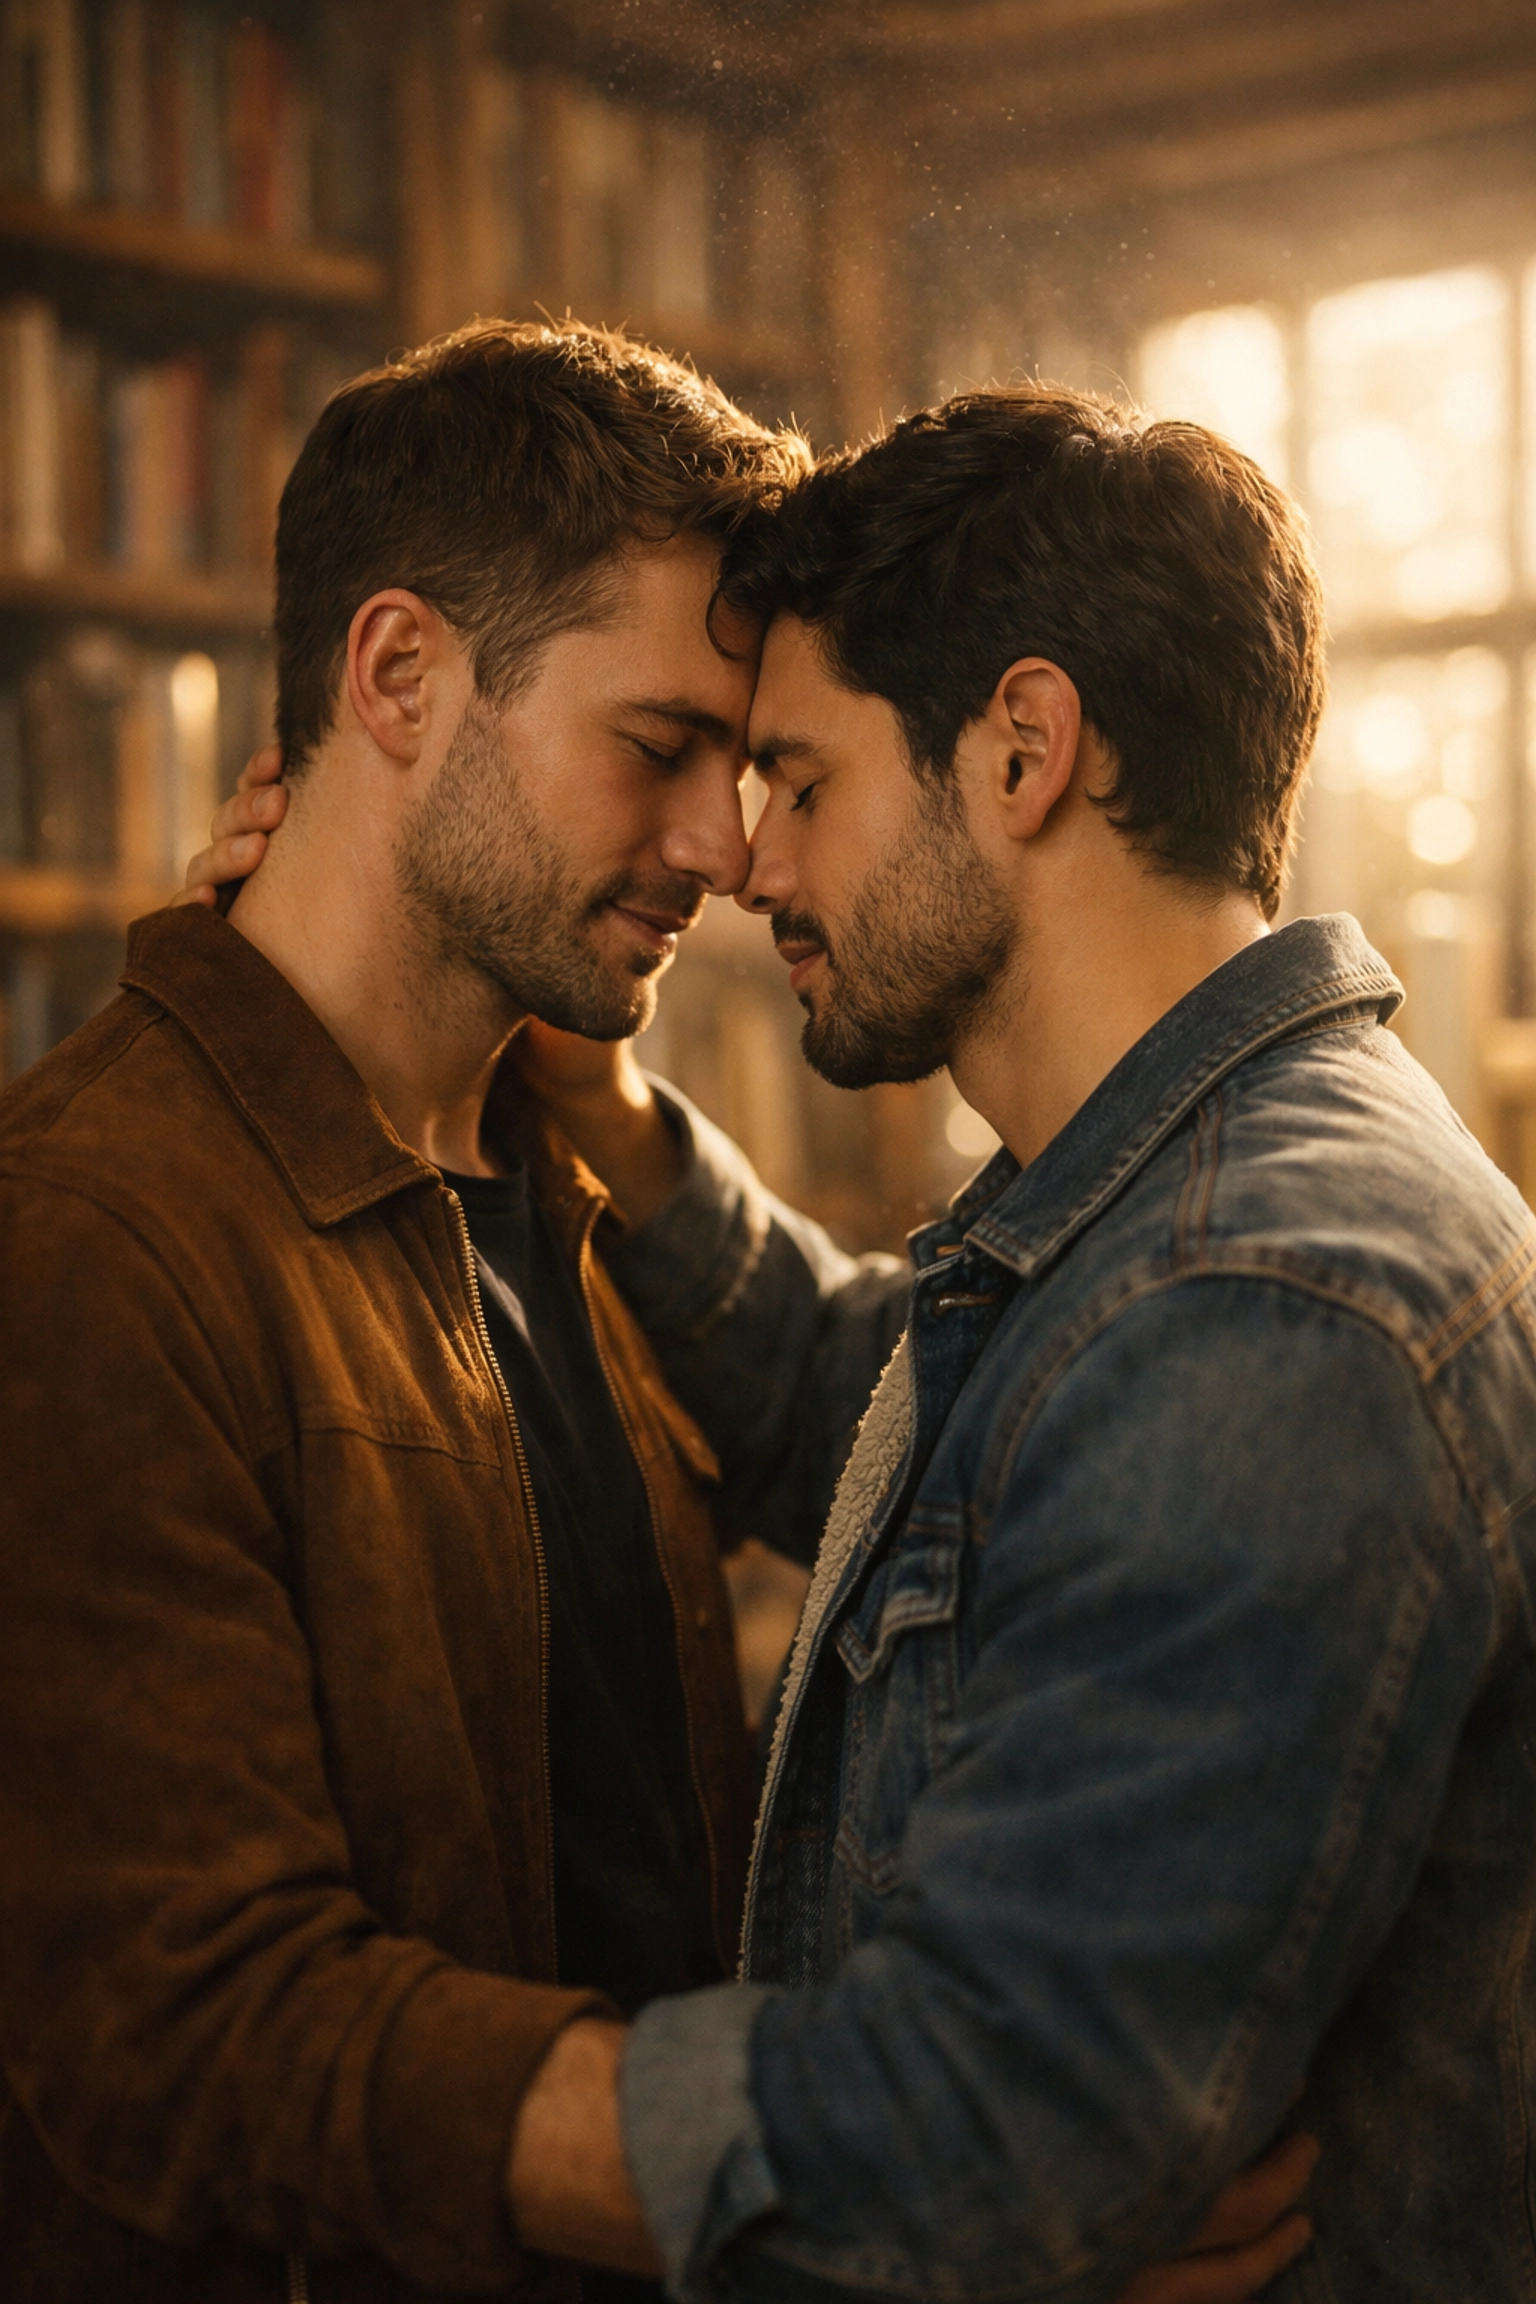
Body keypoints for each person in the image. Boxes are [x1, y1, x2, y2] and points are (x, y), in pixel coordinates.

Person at [0, 319, 1306, 2304]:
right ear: (404, 677)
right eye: (662, 748)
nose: (727, 847)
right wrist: (921, 2186)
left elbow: (883, 1421)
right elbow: (190, 2023)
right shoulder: (95, 1231)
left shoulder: (558, 1163)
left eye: (756, 761)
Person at [325, 382, 1536, 2303]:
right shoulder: (1160, 1219)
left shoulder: (1263, 1300)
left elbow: (993, 2124)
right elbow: (887, 1425)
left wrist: (363, 2092)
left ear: (1022, 750)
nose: (744, 862)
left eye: (798, 780)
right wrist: (617, 1119)